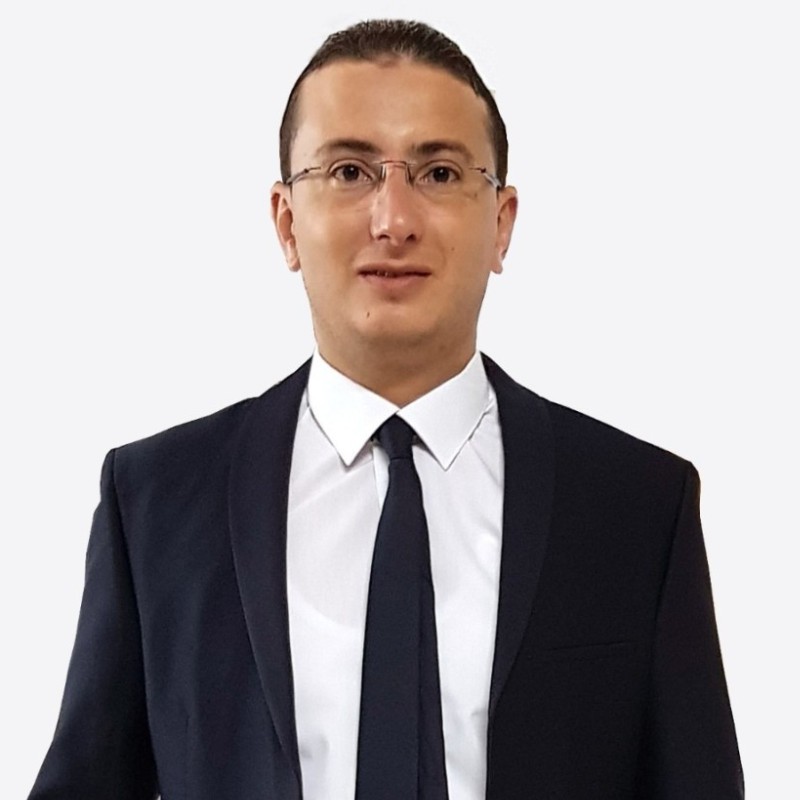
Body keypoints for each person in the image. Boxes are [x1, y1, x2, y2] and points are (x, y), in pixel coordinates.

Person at [28, 18, 743, 800]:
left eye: (438, 173)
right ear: (286, 222)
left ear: (501, 224)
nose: (393, 219)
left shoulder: (638, 506)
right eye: (348, 171)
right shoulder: (157, 502)